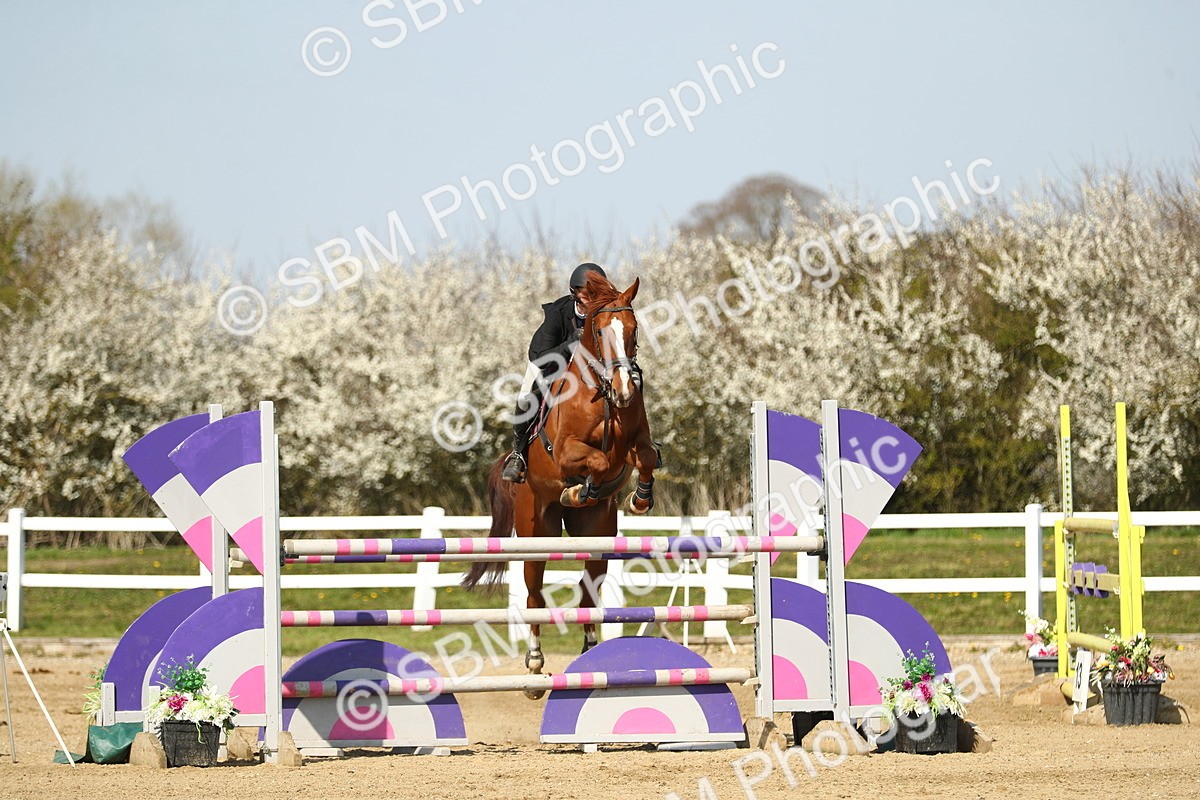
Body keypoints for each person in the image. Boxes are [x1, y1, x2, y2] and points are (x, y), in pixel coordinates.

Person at [501, 262, 606, 483]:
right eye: (587, 295)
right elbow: (540, 357)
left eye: (596, 294)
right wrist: (572, 342)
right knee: (525, 396)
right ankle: (518, 453)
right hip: (550, 362)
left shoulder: (603, 314)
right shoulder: (558, 313)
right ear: (575, 294)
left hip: (589, 369)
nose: (592, 299)